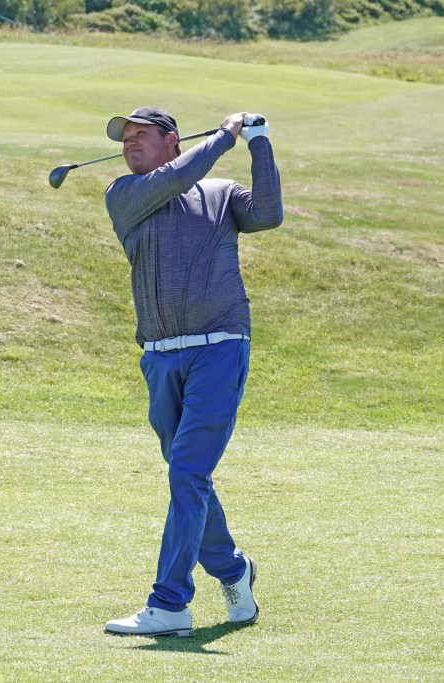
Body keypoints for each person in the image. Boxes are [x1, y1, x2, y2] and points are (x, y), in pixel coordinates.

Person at [101, 106, 283, 636]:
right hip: (160, 355)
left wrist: (259, 143)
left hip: (220, 347)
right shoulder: (123, 194)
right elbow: (179, 177)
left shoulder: (222, 193)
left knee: (187, 472)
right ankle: (233, 569)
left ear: (172, 139)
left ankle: (171, 603)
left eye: (140, 136)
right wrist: (226, 136)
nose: (129, 145)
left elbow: (268, 213)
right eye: (124, 139)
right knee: (190, 476)